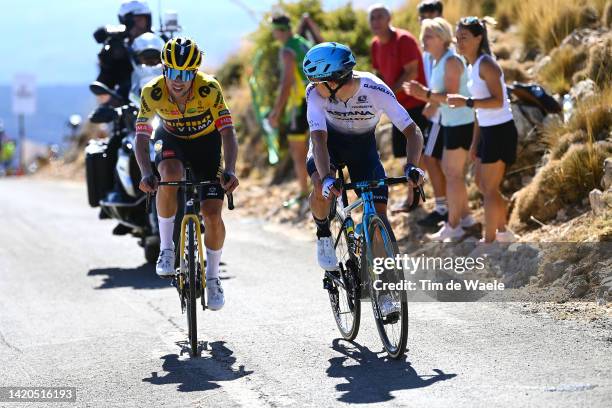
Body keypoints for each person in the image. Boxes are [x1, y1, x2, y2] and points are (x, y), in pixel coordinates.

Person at [134, 37, 239, 310]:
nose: (177, 80)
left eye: (185, 74)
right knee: (167, 173)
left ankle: (214, 277)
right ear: (163, 69)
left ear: (194, 73)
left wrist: (229, 169)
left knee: (213, 213)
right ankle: (167, 248)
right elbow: (142, 137)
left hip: (207, 145)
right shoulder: (152, 92)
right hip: (173, 142)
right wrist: (146, 172)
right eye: (172, 72)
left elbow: (227, 131)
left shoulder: (209, 89)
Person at [302, 42, 425, 272]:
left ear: (332, 82)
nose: (311, 86)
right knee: (320, 185)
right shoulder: (315, 95)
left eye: (315, 82)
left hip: (363, 149)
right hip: (329, 145)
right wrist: (327, 178)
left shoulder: (375, 89)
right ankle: (323, 235)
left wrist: (412, 166)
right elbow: (319, 140)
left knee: (379, 217)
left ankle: (386, 287)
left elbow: (412, 131)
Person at [405, 17, 477, 242]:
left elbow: (453, 98)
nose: (423, 39)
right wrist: (429, 100)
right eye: (423, 35)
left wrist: (425, 94)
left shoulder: (451, 61)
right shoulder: (438, 61)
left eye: (429, 35)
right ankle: (466, 219)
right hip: (450, 123)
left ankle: (453, 226)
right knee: (452, 173)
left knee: (453, 174)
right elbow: (443, 96)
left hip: (461, 123)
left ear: (442, 38)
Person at [448, 17, 518, 243]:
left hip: (501, 131)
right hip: (487, 132)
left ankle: (489, 242)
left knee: (488, 188)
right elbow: (480, 111)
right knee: (481, 183)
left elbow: (498, 101)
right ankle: (504, 232)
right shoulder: (472, 66)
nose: (459, 42)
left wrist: (466, 102)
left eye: (464, 38)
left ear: (479, 38)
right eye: (457, 38)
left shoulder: (487, 64)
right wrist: (474, 143)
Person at [368, 4, 429, 214]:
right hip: (398, 106)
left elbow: (411, 72)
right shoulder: (375, 45)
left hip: (417, 103)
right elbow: (378, 73)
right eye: (372, 18)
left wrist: (387, 95)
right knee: (404, 153)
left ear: (389, 18)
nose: (376, 21)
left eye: (380, 17)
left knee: (420, 150)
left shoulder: (404, 40)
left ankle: (415, 199)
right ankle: (414, 197)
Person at [267, 14, 315, 208]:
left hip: (299, 103)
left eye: (273, 30)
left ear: (279, 30)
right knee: (319, 145)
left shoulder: (287, 50)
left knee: (298, 151)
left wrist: (276, 112)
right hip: (315, 97)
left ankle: (305, 192)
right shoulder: (301, 42)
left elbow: (286, 83)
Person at [414, 0, 449, 227]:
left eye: (432, 12)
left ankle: (445, 209)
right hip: (437, 111)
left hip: (443, 113)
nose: (427, 16)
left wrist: (432, 101)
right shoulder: (428, 50)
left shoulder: (444, 49)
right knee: (431, 159)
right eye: (423, 14)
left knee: (431, 158)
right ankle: (444, 207)